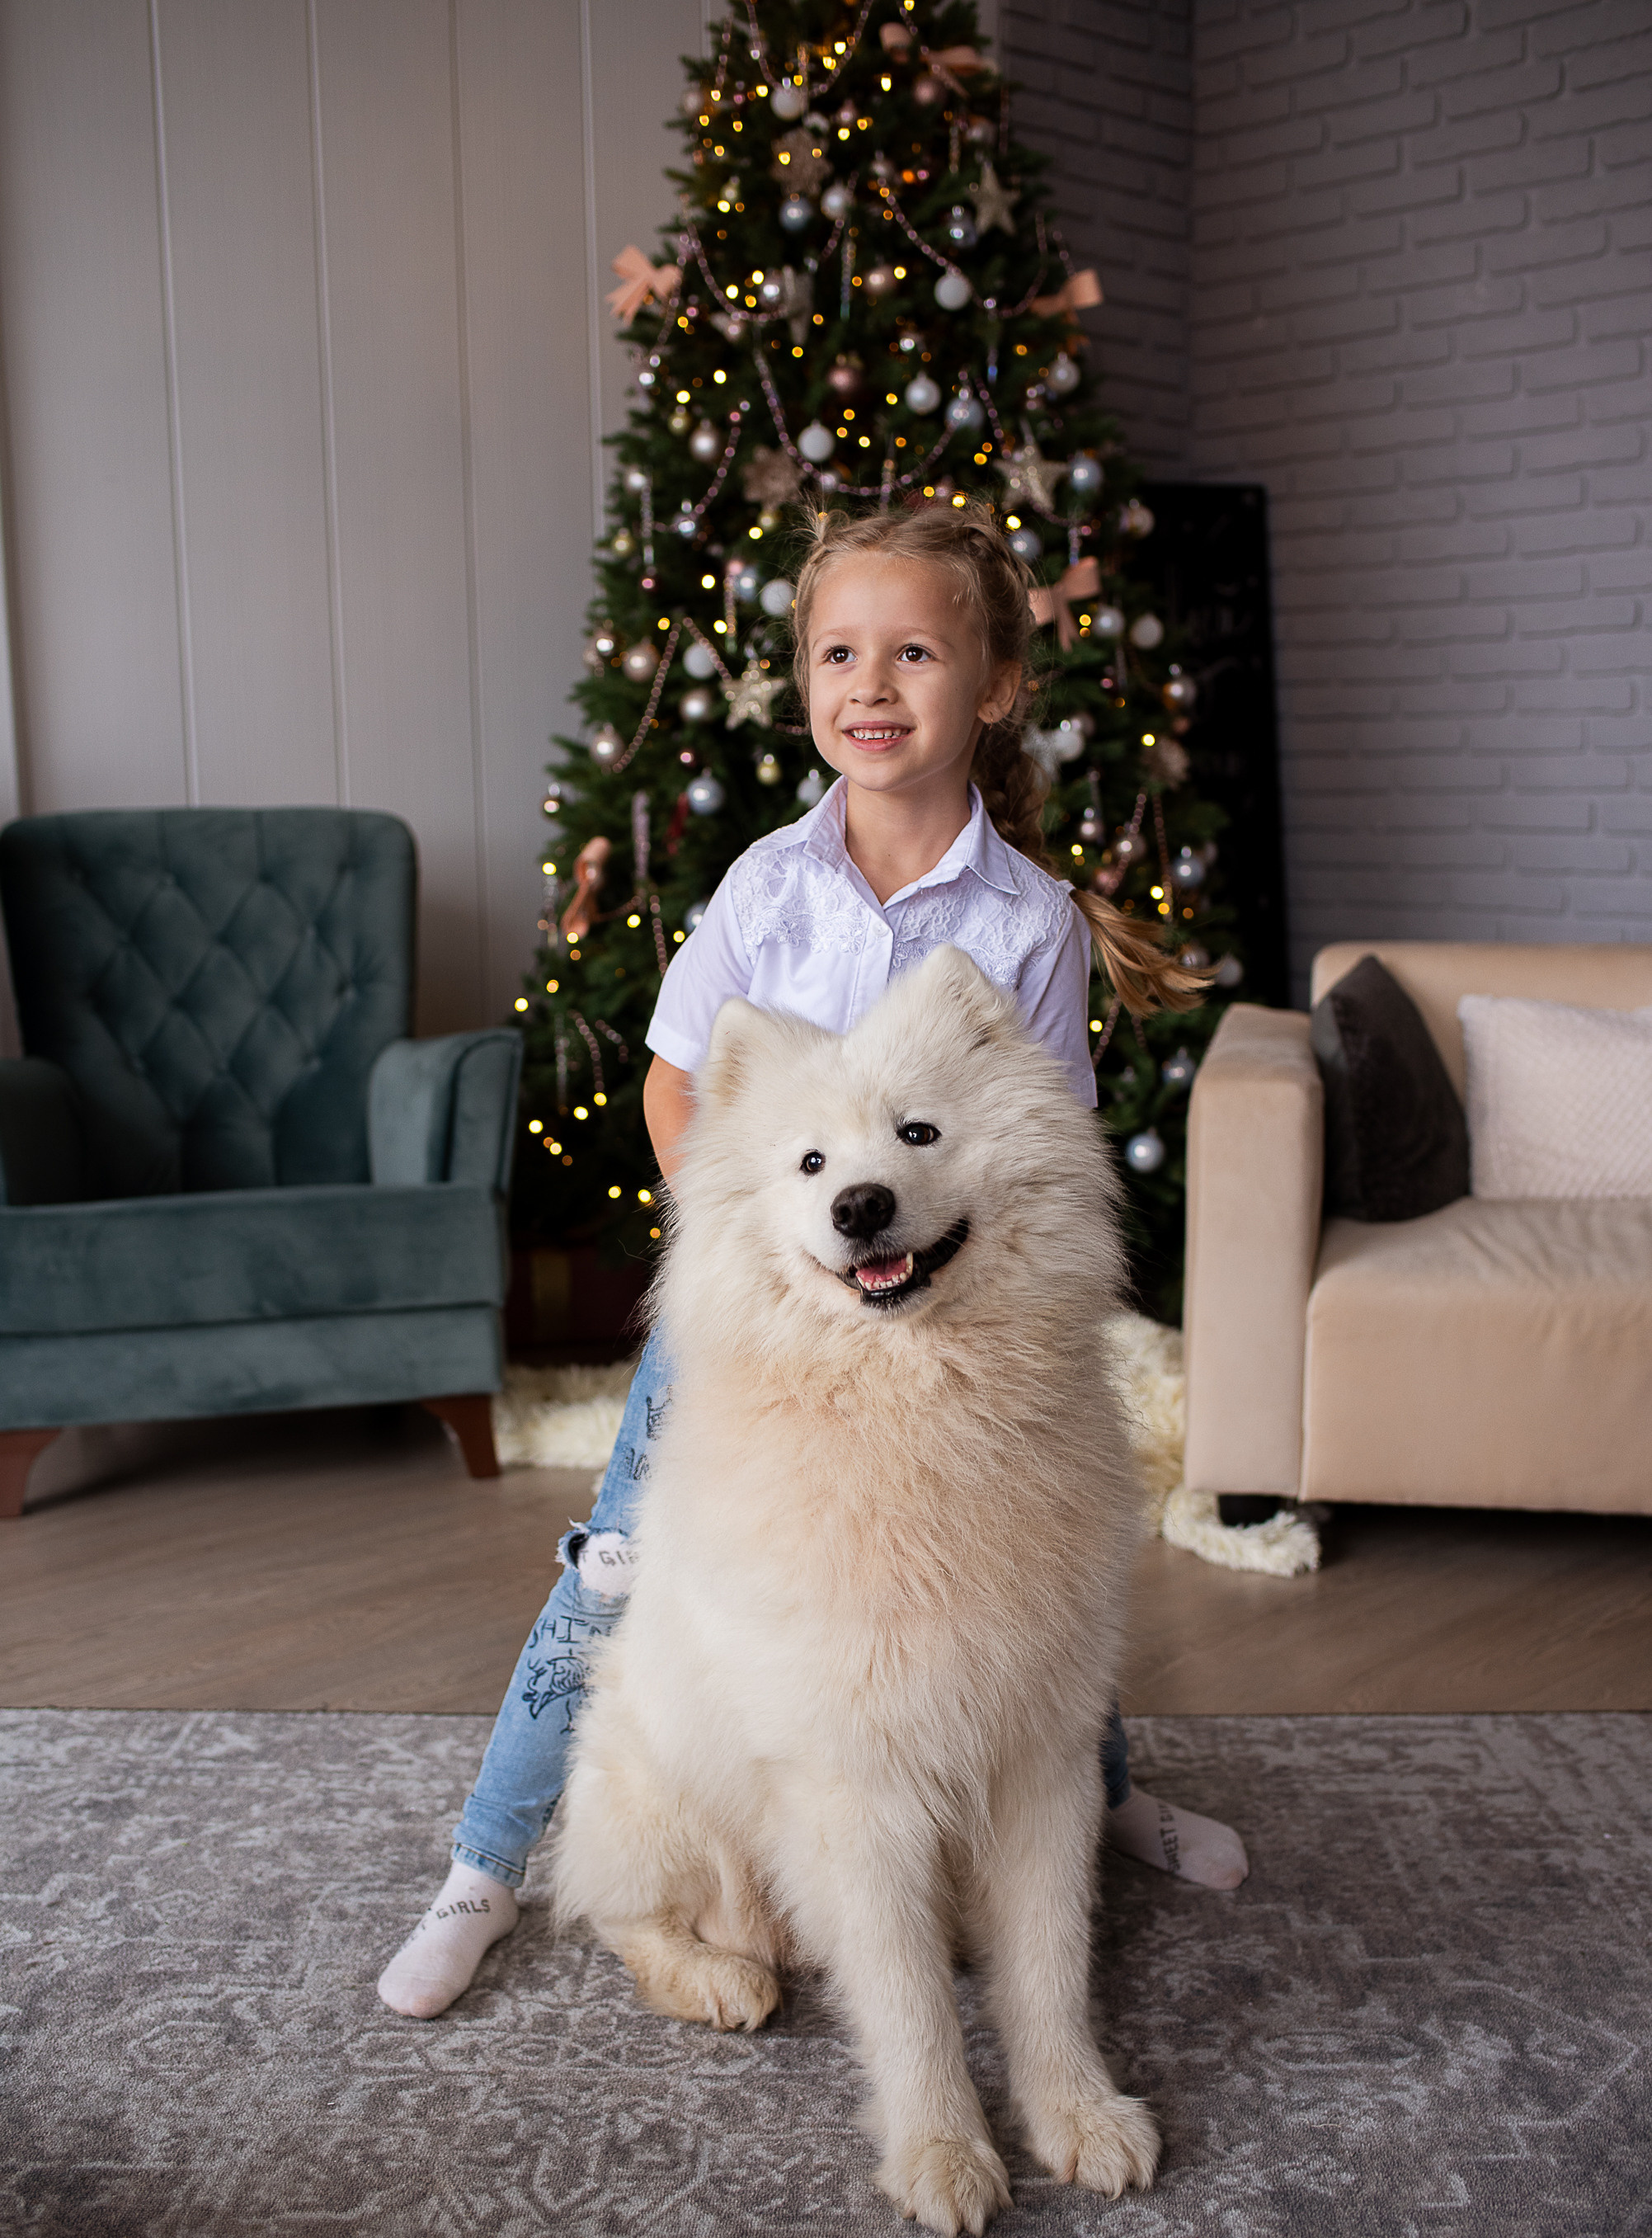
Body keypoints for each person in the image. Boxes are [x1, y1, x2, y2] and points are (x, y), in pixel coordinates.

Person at [379, 502, 1249, 2021]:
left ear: (993, 685)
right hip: (775, 1321)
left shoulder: (1026, 917)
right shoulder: (768, 888)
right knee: (626, 1568)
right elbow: (674, 1075)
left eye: (915, 651)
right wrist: (745, 1232)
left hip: (953, 1316)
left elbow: (1028, 1135)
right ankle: (489, 1862)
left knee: (1030, 1569)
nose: (873, 682)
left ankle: (1083, 1796)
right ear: (805, 684)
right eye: (840, 651)